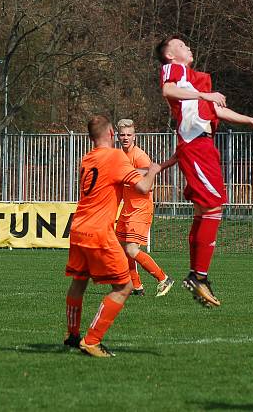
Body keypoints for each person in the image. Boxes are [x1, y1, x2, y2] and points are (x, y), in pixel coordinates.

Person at [156, 35, 253, 307]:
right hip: (195, 146)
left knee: (203, 210)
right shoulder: (176, 71)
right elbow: (168, 90)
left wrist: (252, 120)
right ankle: (198, 276)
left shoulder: (194, 80)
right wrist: (203, 94)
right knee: (213, 207)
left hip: (204, 145)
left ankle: (197, 276)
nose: (188, 45)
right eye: (181, 45)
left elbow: (217, 112)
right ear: (170, 55)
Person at [64, 115, 162, 357]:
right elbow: (143, 187)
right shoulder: (117, 156)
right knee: (124, 286)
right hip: (99, 231)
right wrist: (153, 171)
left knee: (78, 283)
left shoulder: (86, 159)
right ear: (111, 134)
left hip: (78, 228)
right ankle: (92, 340)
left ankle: (72, 335)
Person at [114, 118, 174, 297]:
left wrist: (131, 175)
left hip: (140, 208)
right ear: (118, 136)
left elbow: (150, 182)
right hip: (127, 208)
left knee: (132, 249)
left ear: (134, 136)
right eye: (122, 134)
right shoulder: (118, 156)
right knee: (122, 249)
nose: (125, 138)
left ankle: (164, 278)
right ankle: (136, 286)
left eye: (129, 135)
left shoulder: (139, 156)